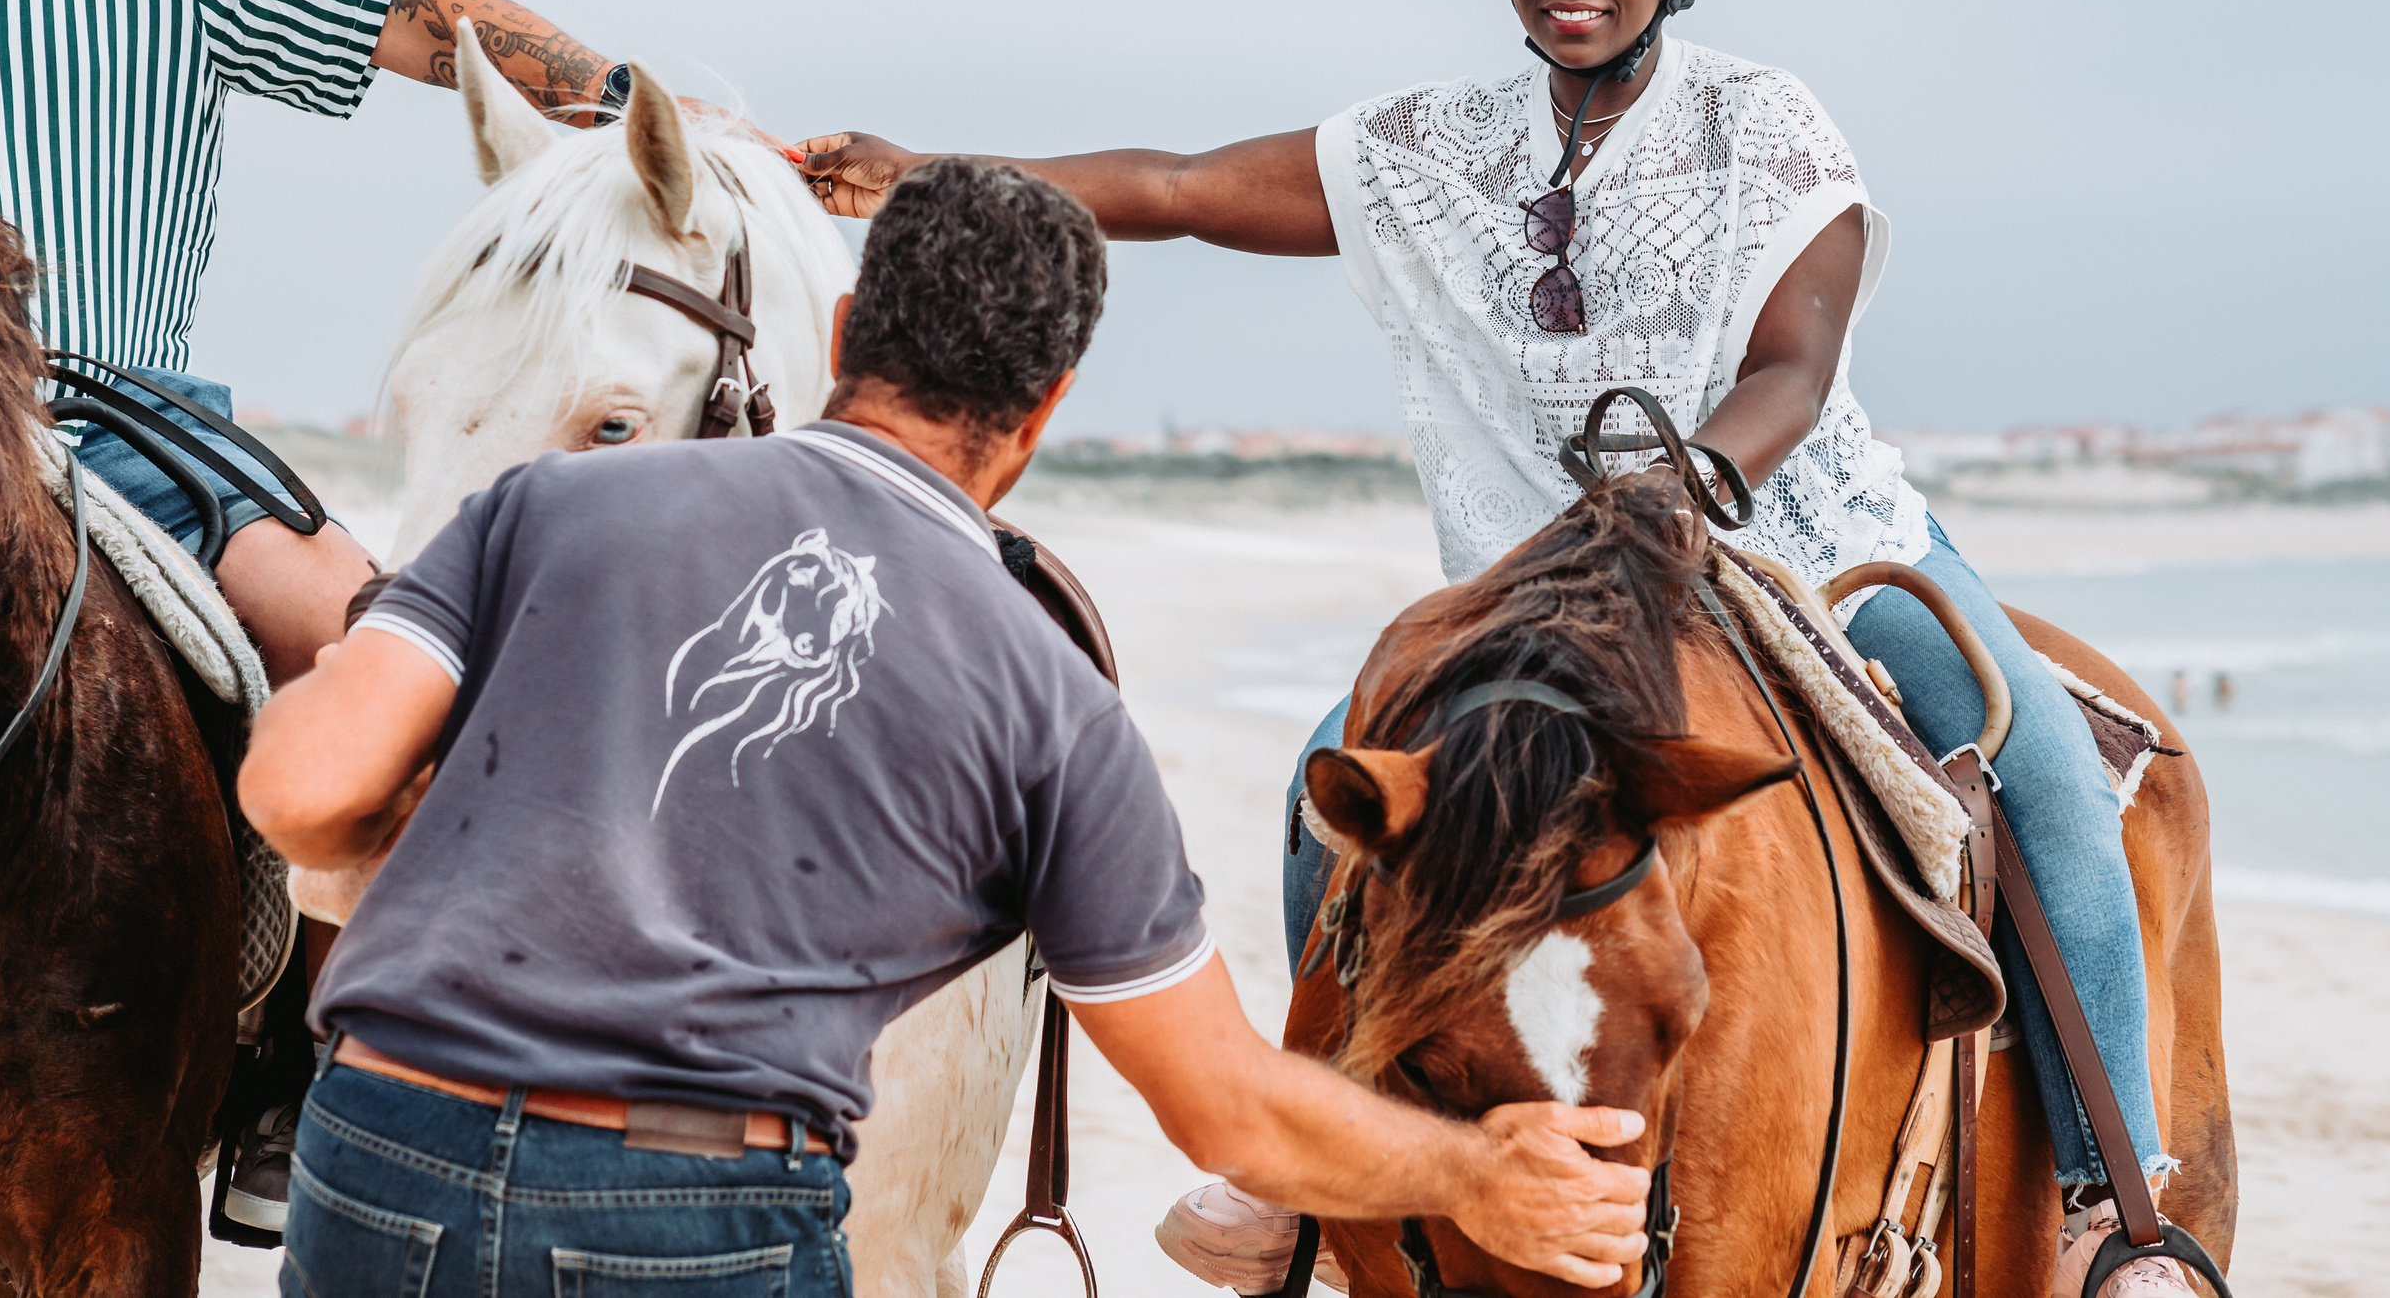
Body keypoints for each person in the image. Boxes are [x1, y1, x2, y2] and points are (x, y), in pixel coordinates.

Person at [793, 0, 2197, 1296]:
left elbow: (1796, 364)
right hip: (1556, 606)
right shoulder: (1428, 150)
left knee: (2045, 772)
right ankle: (1303, 1170)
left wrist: (1694, 485)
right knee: (1338, 775)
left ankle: (2110, 1209)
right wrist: (933, 170)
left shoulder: (1769, 127)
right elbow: (1183, 183)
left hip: (1808, 552)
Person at [237, 160, 1655, 1298]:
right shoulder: (1053, 703)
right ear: (1047, 409)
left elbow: (298, 794)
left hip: (382, 1149)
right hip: (691, 1210)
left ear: (847, 336)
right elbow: (1227, 1109)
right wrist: (1478, 1178)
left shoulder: (546, 507)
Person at [0, 0, 796, 1225]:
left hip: (129, 437)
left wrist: (642, 119)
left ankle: (303, 1075)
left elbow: (415, 16)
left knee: (413, 678)